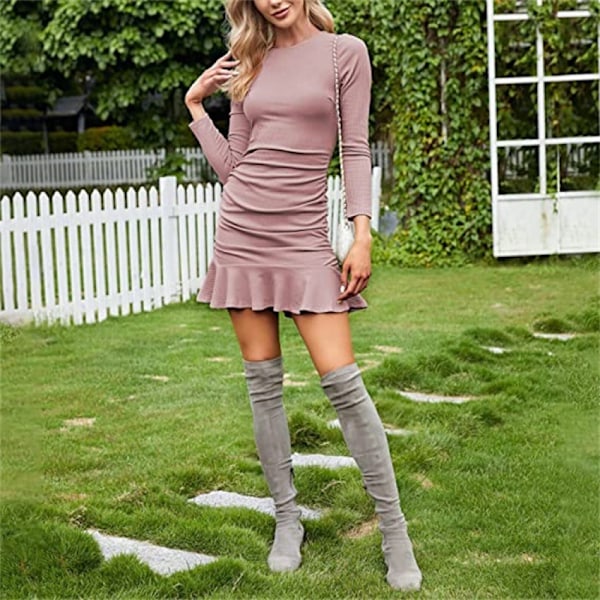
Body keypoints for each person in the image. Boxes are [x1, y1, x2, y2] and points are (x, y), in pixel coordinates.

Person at [184, 0, 422, 592]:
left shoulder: (345, 54)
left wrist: (361, 234)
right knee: (263, 387)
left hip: (305, 237)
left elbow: (356, 148)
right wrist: (196, 109)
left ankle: (394, 532)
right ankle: (287, 520)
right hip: (243, 234)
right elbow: (236, 167)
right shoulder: (250, 61)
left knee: (345, 387)